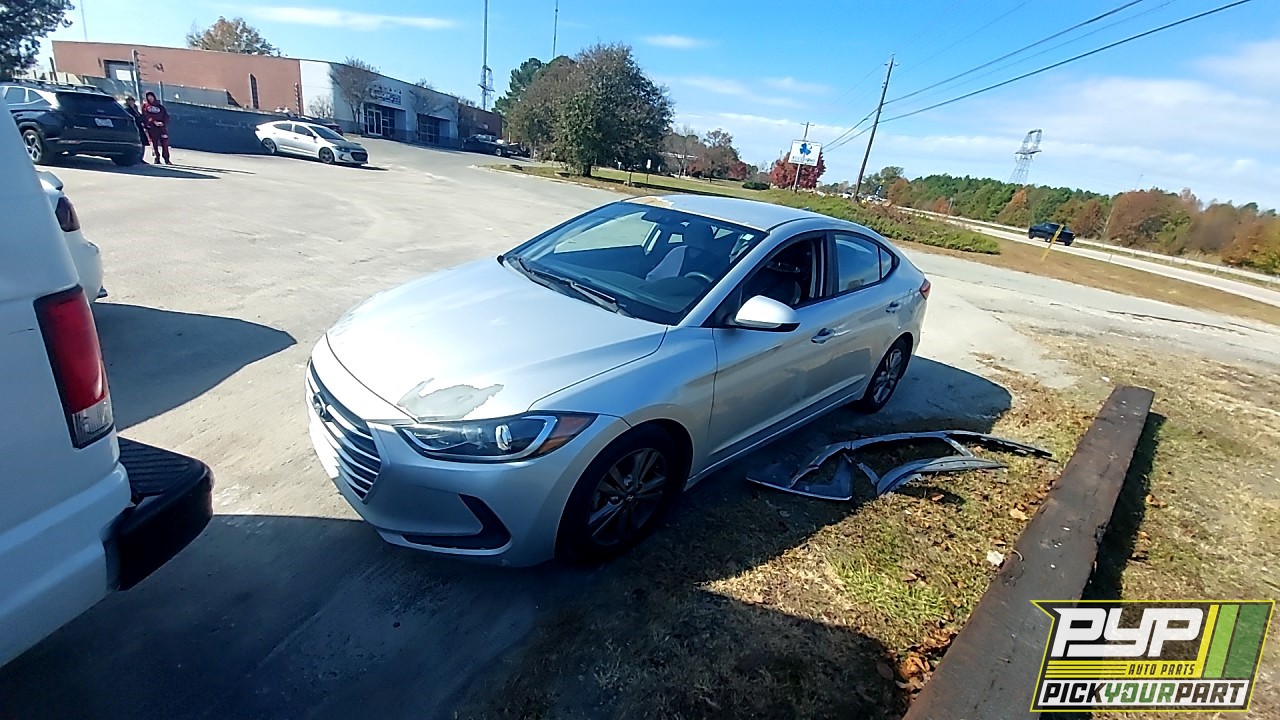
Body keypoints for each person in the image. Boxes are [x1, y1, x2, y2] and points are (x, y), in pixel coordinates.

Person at [140, 91, 172, 165]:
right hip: (152, 128)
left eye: (151, 96)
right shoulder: (145, 107)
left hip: (162, 128)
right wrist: (153, 122)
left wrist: (163, 123)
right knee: (154, 144)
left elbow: (166, 116)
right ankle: (157, 158)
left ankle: (166, 159)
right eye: (148, 97)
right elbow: (145, 117)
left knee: (165, 143)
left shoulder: (160, 107)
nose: (150, 98)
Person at [121, 96, 148, 162]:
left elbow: (140, 117)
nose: (131, 102)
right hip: (133, 127)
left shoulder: (135, 109)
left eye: (131, 100)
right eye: (129, 100)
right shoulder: (127, 109)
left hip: (139, 127)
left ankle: (141, 158)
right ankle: (136, 158)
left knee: (142, 142)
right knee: (136, 142)